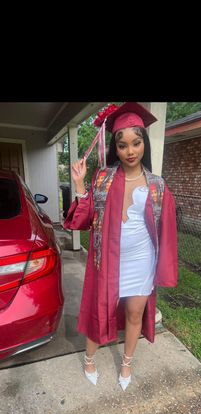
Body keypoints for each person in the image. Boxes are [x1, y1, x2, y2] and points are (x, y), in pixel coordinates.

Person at [64, 102, 178, 390]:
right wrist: (79, 186)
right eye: (123, 145)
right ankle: (89, 357)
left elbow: (166, 232)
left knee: (134, 313)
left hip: (141, 261)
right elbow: (83, 220)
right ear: (115, 148)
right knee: (99, 310)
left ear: (144, 144)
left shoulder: (157, 186)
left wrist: (162, 268)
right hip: (108, 261)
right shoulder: (102, 179)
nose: (130, 151)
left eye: (136, 143)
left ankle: (126, 364)